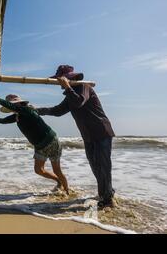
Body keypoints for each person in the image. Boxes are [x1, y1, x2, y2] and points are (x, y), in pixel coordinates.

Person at [36, 65, 115, 209]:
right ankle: (107, 193)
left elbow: (79, 101)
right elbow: (57, 111)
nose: (59, 83)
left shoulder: (84, 87)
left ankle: (107, 200)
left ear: (68, 78)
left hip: (101, 132)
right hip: (88, 136)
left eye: (60, 80)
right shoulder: (70, 95)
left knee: (103, 167)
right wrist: (37, 110)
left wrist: (67, 87)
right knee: (95, 167)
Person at [0, 94, 69, 194]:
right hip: (39, 146)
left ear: (21, 103)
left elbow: (12, 107)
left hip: (51, 141)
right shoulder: (17, 115)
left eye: (14, 104)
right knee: (38, 170)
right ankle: (58, 181)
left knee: (57, 170)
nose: (13, 107)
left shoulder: (27, 110)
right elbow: (3, 121)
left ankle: (67, 191)